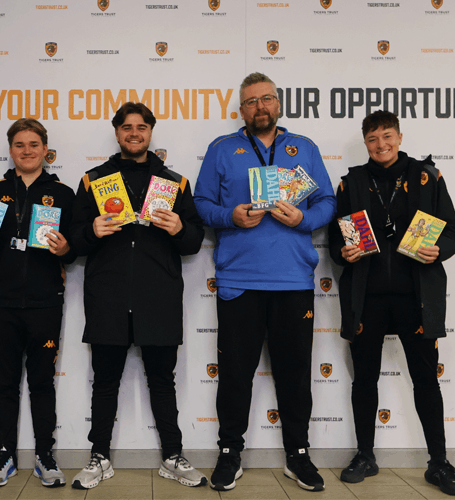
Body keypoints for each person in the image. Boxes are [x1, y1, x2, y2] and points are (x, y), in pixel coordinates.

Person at [194, 72, 336, 492]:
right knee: (235, 374)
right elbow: (201, 202)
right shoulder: (221, 149)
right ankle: (229, 452)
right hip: (239, 280)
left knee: (295, 375)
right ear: (242, 110)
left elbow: (327, 201)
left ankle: (298, 454)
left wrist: (304, 218)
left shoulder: (303, 148)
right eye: (251, 101)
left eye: (267, 99)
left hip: (293, 279)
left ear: (278, 103)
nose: (260, 107)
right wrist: (230, 216)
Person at [69, 102, 206, 490]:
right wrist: (91, 231)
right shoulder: (93, 181)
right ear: (117, 133)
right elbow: (73, 242)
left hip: (158, 298)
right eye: (127, 127)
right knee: (105, 382)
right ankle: (99, 457)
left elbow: (194, 243)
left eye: (141, 127)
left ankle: (173, 456)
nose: (134, 133)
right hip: (108, 297)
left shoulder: (175, 183)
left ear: (150, 132)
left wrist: (179, 228)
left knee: (162, 381)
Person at [328, 110, 455, 496]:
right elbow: (335, 241)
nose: (380, 145)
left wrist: (440, 250)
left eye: (387, 136)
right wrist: (343, 252)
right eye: (372, 139)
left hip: (416, 298)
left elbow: (452, 230)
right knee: (364, 379)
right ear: (365, 143)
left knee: (426, 381)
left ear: (399, 137)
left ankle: (438, 463)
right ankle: (365, 455)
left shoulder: (427, 176)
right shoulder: (352, 182)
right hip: (366, 298)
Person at [0, 118, 75, 488]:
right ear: (11, 150)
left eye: (33, 144)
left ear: (46, 150)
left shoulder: (63, 194)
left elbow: (75, 249)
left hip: (45, 302)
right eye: (19, 145)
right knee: (6, 384)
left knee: (42, 383)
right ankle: (4, 455)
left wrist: (66, 248)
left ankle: (45, 455)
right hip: (2, 303)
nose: (27, 151)